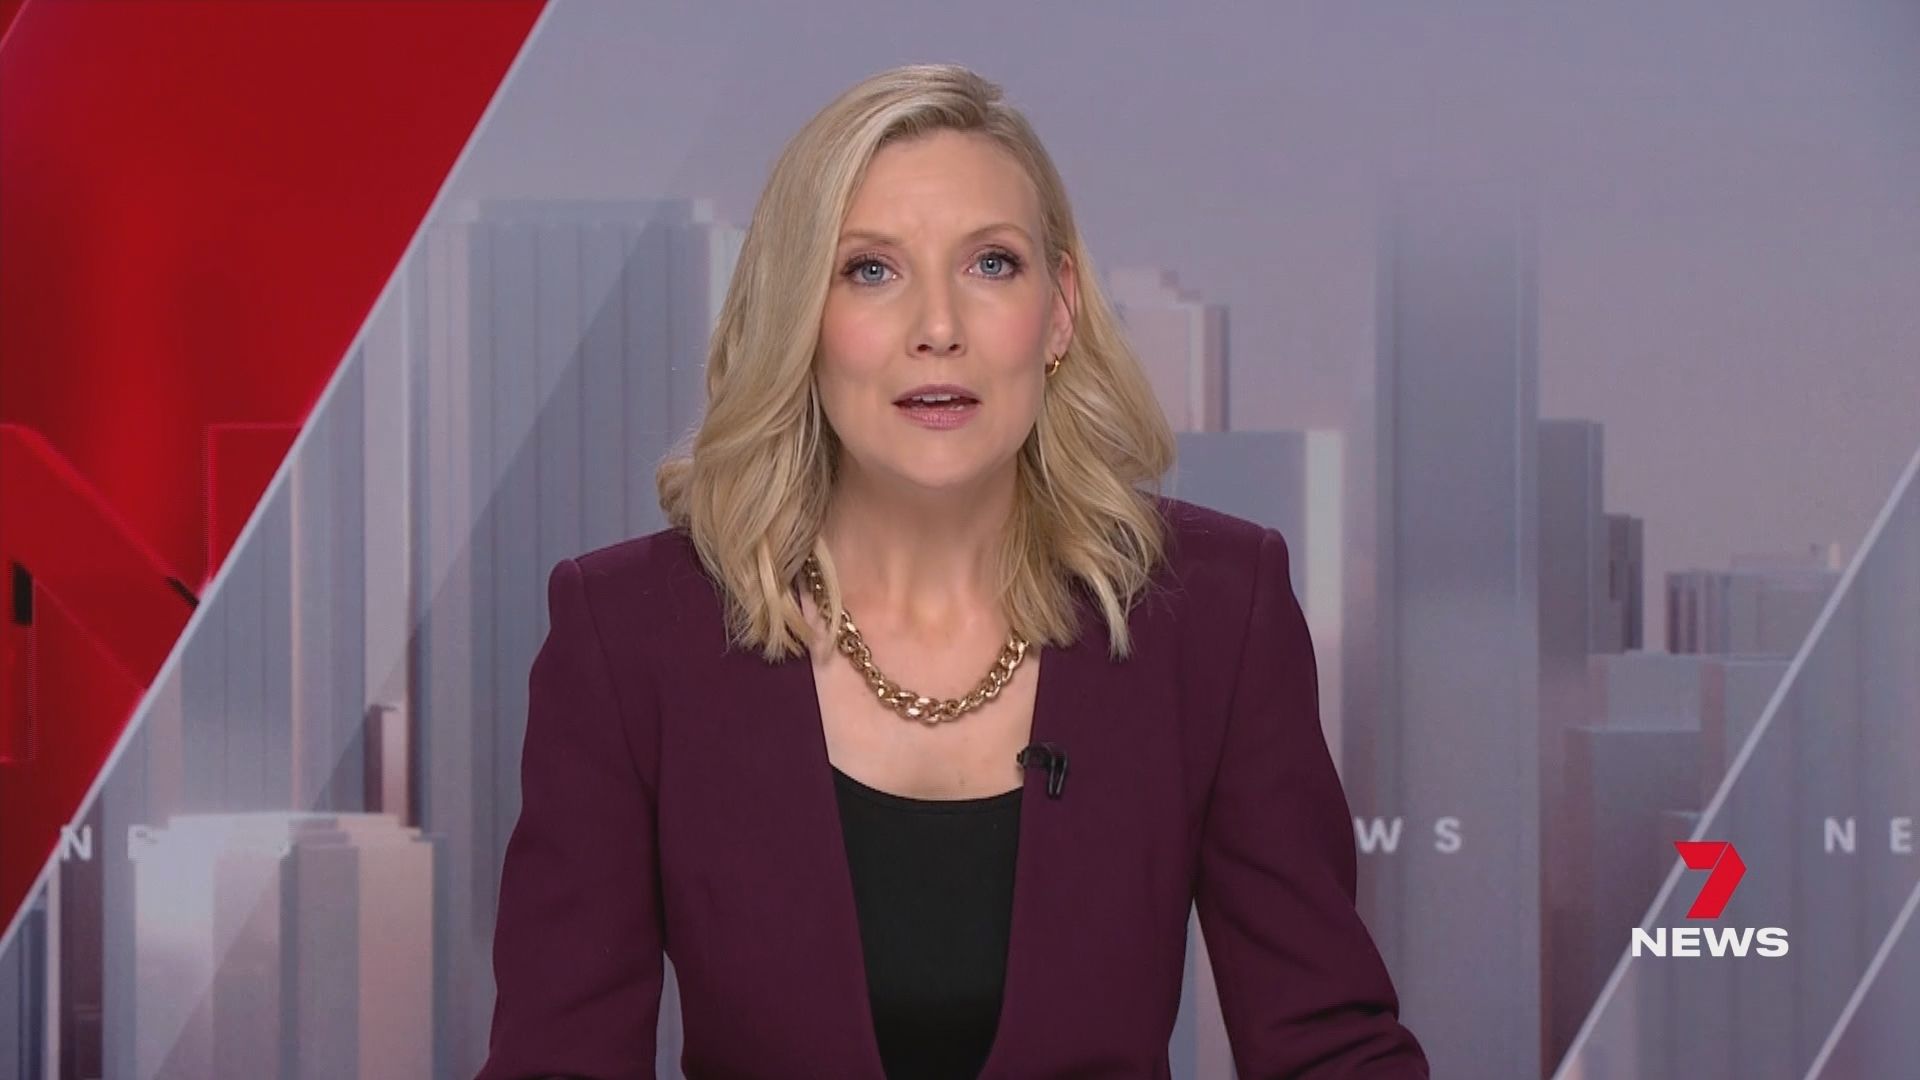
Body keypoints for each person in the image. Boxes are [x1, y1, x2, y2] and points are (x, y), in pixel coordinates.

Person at [476, 63, 1427, 1080]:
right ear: (799, 316)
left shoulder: (1213, 613)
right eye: (870, 270)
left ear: (1059, 311)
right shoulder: (629, 634)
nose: (939, 326)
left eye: (992, 264)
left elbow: (1330, 1052)